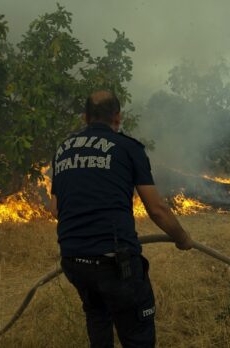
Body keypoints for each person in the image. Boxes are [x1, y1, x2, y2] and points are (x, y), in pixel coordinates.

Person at [49, 90, 194, 347]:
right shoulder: (128, 147)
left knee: (97, 317)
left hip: (74, 261)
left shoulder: (63, 150)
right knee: (137, 332)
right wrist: (182, 238)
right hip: (115, 264)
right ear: (118, 117)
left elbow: (56, 209)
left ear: (85, 118)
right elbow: (157, 209)